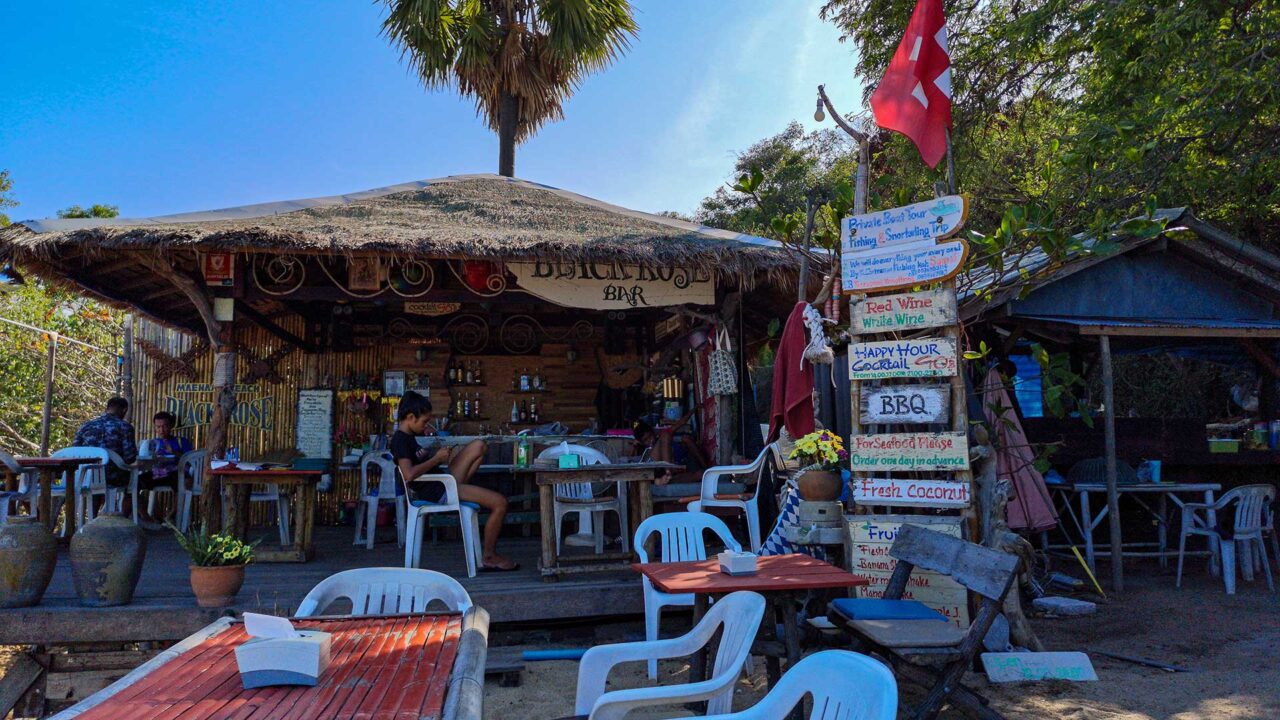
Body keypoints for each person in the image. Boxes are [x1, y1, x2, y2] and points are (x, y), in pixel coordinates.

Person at [391, 391, 518, 571]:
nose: (426, 426)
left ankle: (460, 486)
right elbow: (408, 474)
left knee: (479, 447)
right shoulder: (400, 440)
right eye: (424, 422)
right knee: (500, 503)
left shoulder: (409, 438)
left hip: (443, 483)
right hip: (438, 491)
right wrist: (436, 459)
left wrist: (443, 457)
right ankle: (489, 556)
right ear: (410, 417)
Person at [141, 411, 194, 524]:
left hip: (176, 474)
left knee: (182, 482)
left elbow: (190, 460)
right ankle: (149, 517)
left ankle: (171, 515)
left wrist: (173, 452)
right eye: (158, 427)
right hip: (157, 473)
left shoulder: (181, 441)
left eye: (164, 426)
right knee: (137, 482)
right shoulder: (152, 443)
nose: (161, 430)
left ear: (170, 426)